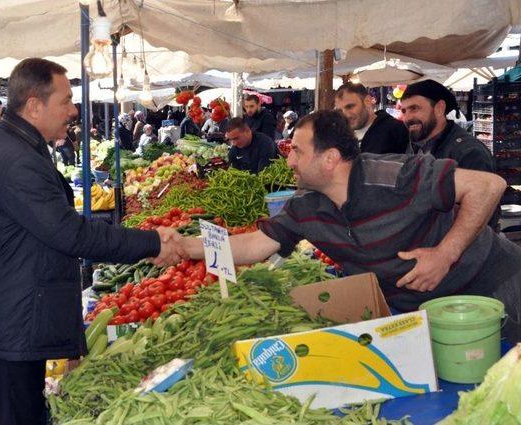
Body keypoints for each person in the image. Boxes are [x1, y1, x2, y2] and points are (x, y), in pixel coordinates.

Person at [0, 58, 186, 425]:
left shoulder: (13, 143)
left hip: (7, 317)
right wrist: (153, 243)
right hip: (5, 325)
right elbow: (70, 233)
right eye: (66, 100)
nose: (74, 110)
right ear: (33, 104)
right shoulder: (14, 158)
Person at [182, 110, 521, 343]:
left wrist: (445, 254)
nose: (288, 160)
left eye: (298, 151)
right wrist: (183, 247)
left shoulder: (395, 175)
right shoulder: (306, 206)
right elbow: (256, 245)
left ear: (329, 159)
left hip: (490, 284)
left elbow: (487, 185)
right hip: (422, 312)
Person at [400, 79, 499, 229]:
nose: (407, 118)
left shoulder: (468, 152)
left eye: (414, 108)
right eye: (404, 111)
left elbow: (483, 219)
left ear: (439, 108)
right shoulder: (415, 145)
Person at [334, 82, 409, 154]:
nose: (345, 115)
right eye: (340, 111)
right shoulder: (340, 137)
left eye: (350, 106)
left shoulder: (396, 130)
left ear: (367, 101)